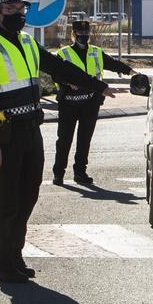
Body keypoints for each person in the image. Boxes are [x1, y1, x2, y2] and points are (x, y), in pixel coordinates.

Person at [0, 0, 113, 284]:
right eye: (11, 9)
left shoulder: (27, 42)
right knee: (5, 200)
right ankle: (2, 264)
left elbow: (60, 67)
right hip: (4, 136)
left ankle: (15, 256)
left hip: (31, 131)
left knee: (28, 195)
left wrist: (96, 86)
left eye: (22, 8)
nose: (18, 14)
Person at [52, 19, 135, 186]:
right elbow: (56, 74)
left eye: (86, 33)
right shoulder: (63, 53)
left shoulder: (96, 52)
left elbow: (113, 64)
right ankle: (58, 173)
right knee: (64, 139)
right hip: (69, 103)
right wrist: (67, 83)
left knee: (84, 140)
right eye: (80, 34)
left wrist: (132, 72)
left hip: (90, 103)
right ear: (73, 34)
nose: (84, 36)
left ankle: (80, 172)